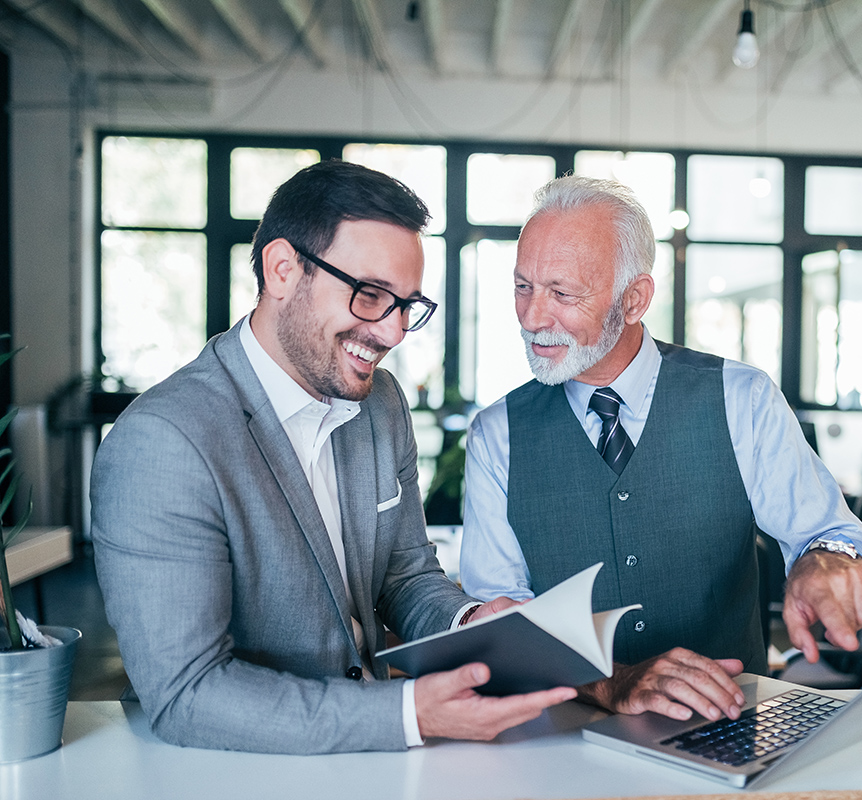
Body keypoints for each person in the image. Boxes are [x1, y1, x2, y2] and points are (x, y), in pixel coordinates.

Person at [91, 160, 575, 755]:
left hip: (377, 767)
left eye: (407, 304)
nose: (395, 332)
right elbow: (187, 694)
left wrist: (470, 623)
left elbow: (406, 577)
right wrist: (406, 714)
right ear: (283, 270)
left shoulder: (380, 403)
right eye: (371, 295)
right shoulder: (164, 441)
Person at [460, 175, 862, 725]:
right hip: (562, 740)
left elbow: (829, 531)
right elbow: (500, 623)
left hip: (728, 729)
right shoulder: (497, 434)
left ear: (634, 299)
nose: (533, 317)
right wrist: (609, 681)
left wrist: (826, 560)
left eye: (562, 293)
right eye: (523, 287)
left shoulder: (742, 398)